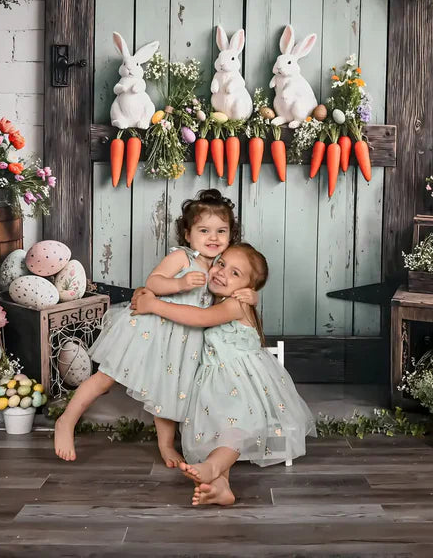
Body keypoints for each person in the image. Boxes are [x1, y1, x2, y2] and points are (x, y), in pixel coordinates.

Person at [54, 190, 254, 464]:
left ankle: (165, 445)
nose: (213, 238)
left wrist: (250, 295)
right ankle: (67, 420)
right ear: (187, 234)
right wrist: (180, 284)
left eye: (221, 231)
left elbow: (237, 288)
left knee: (168, 391)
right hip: (151, 330)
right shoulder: (183, 258)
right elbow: (154, 283)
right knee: (106, 378)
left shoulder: (222, 267)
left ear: (231, 235)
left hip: (184, 341)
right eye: (204, 230)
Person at [132, 243, 316, 506]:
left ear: (246, 289)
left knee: (235, 426)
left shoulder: (235, 305)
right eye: (221, 263)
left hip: (242, 383)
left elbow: (198, 318)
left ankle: (211, 469)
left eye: (235, 273)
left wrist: (154, 306)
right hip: (211, 387)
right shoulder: (210, 296)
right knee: (218, 429)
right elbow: (176, 298)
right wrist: (148, 293)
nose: (222, 273)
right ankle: (220, 486)